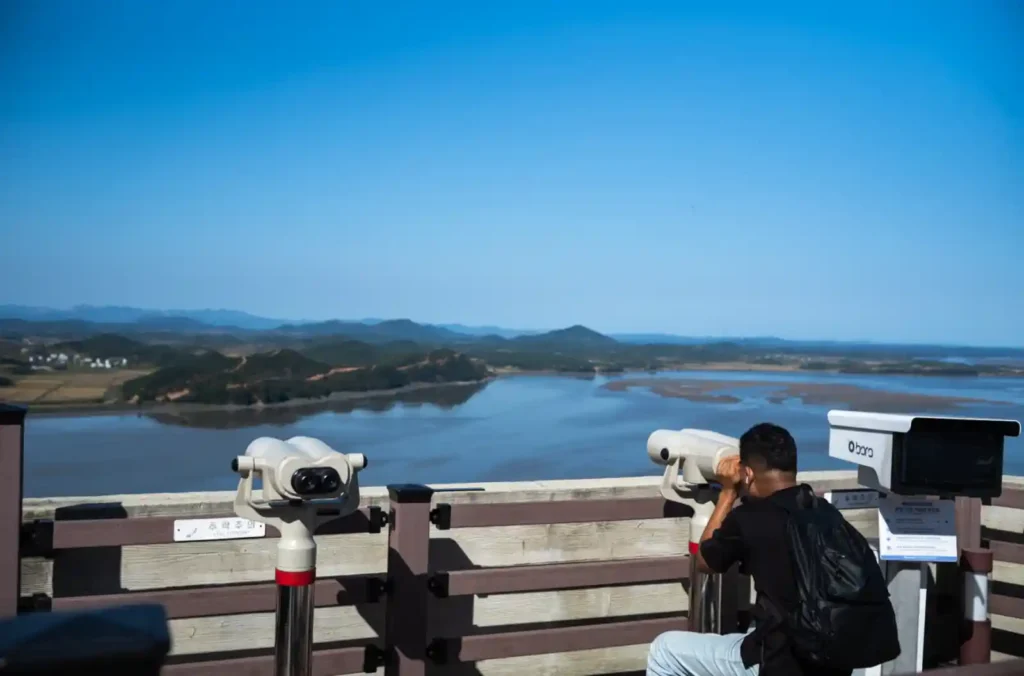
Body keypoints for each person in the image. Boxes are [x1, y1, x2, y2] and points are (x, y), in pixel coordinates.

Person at [646, 422, 854, 676]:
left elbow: (705, 561)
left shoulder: (751, 517)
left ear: (748, 474)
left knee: (664, 650)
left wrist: (727, 493)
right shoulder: (827, 513)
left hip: (778, 663)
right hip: (831, 660)